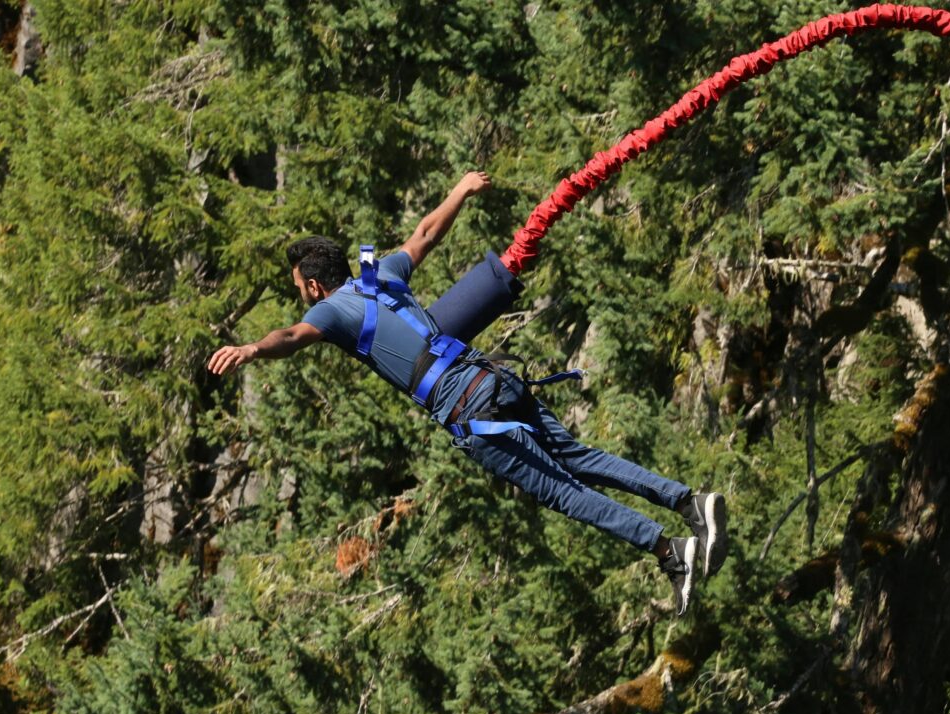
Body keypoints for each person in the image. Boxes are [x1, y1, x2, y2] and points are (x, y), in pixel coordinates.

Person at [207, 171, 727, 614]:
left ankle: (669, 552)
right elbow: (425, 234)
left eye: (299, 288)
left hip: (466, 406)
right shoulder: (380, 274)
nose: (302, 298)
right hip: (492, 377)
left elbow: (291, 336)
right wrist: (459, 191)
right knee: (578, 458)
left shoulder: (330, 310)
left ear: (314, 286)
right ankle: (689, 502)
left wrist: (252, 348)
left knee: (563, 492)